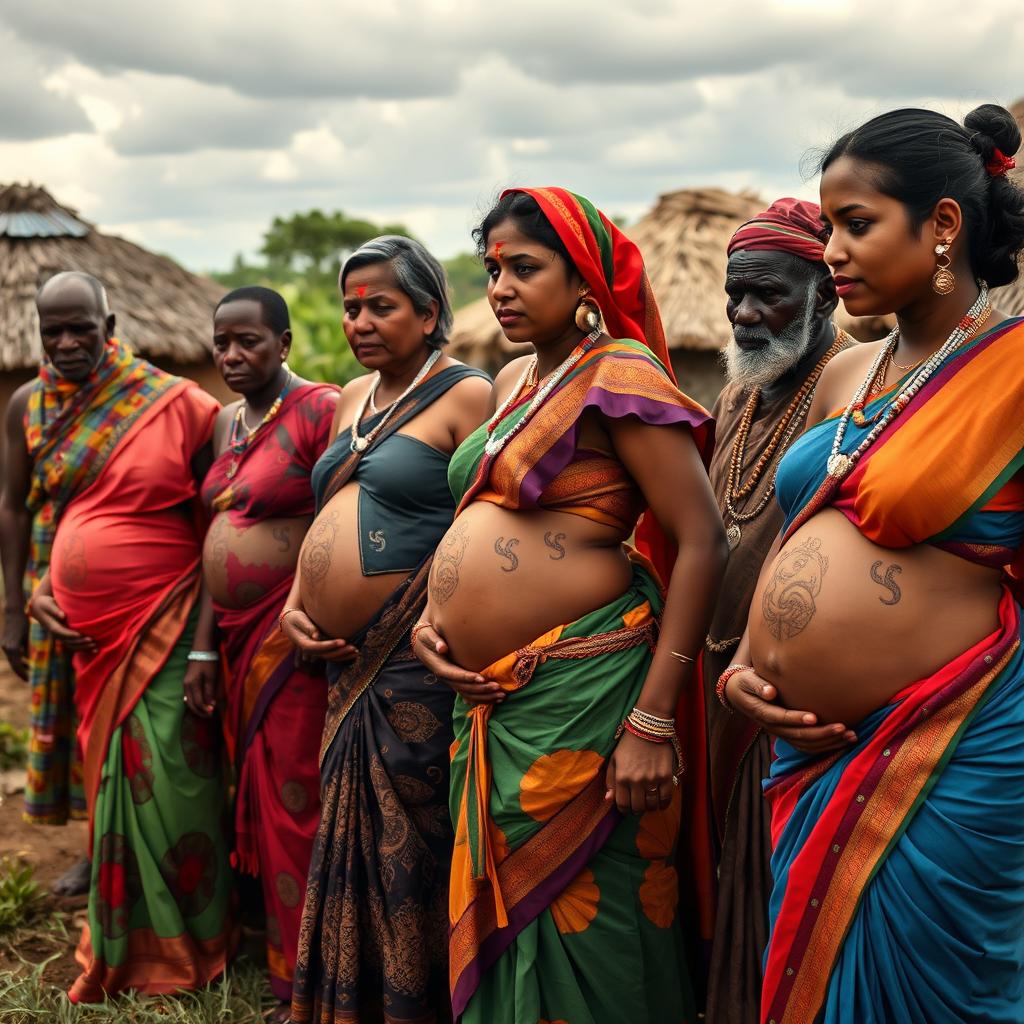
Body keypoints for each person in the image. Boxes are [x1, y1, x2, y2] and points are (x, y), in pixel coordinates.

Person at [722, 104, 1024, 1023]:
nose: (834, 253)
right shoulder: (851, 373)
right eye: (831, 229)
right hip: (807, 752)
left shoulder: (1012, 371)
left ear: (942, 225)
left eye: (858, 225)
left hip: (954, 748)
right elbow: (798, 525)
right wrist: (744, 663)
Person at [413, 188, 726, 1024]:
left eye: (525, 267)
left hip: (586, 697)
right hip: (490, 699)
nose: (502, 287)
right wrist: (432, 621)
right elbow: (472, 526)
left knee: (595, 913)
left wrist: (653, 723)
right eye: (492, 270)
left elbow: (701, 541)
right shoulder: (513, 379)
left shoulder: (620, 374)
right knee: (511, 918)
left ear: (583, 277)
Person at [285, 236, 491, 1023]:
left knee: (415, 834)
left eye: (382, 305)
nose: (360, 320)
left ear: (430, 313)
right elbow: (327, 517)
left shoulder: (467, 396)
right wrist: (297, 603)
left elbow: (485, 522)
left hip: (415, 663)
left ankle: (423, 1005)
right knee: (350, 841)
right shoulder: (350, 398)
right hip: (344, 662)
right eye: (350, 306)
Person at [21, 272, 233, 1001]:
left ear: (111, 322)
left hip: (168, 623)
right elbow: (14, 508)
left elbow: (219, 527)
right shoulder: (31, 405)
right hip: (86, 637)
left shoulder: (178, 405)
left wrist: (206, 642)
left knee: (173, 775)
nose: (70, 342)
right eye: (55, 331)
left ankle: (195, 933)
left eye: (83, 326)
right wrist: (28, 597)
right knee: (106, 768)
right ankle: (123, 931)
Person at [703, 198, 851, 1024]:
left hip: (785, 694)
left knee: (781, 888)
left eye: (771, 296)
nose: (747, 314)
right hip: (716, 689)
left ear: (825, 294)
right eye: (735, 295)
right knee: (728, 885)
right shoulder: (737, 399)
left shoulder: (854, 382)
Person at [195, 286, 338, 1013]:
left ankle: (306, 981)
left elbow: (339, 514)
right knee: (255, 798)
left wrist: (308, 604)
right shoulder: (225, 423)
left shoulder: (320, 409)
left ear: (284, 343)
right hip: (230, 640)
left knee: (297, 805)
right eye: (221, 342)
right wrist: (198, 651)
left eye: (248, 341)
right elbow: (207, 547)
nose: (231, 355)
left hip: (293, 643)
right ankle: (275, 953)